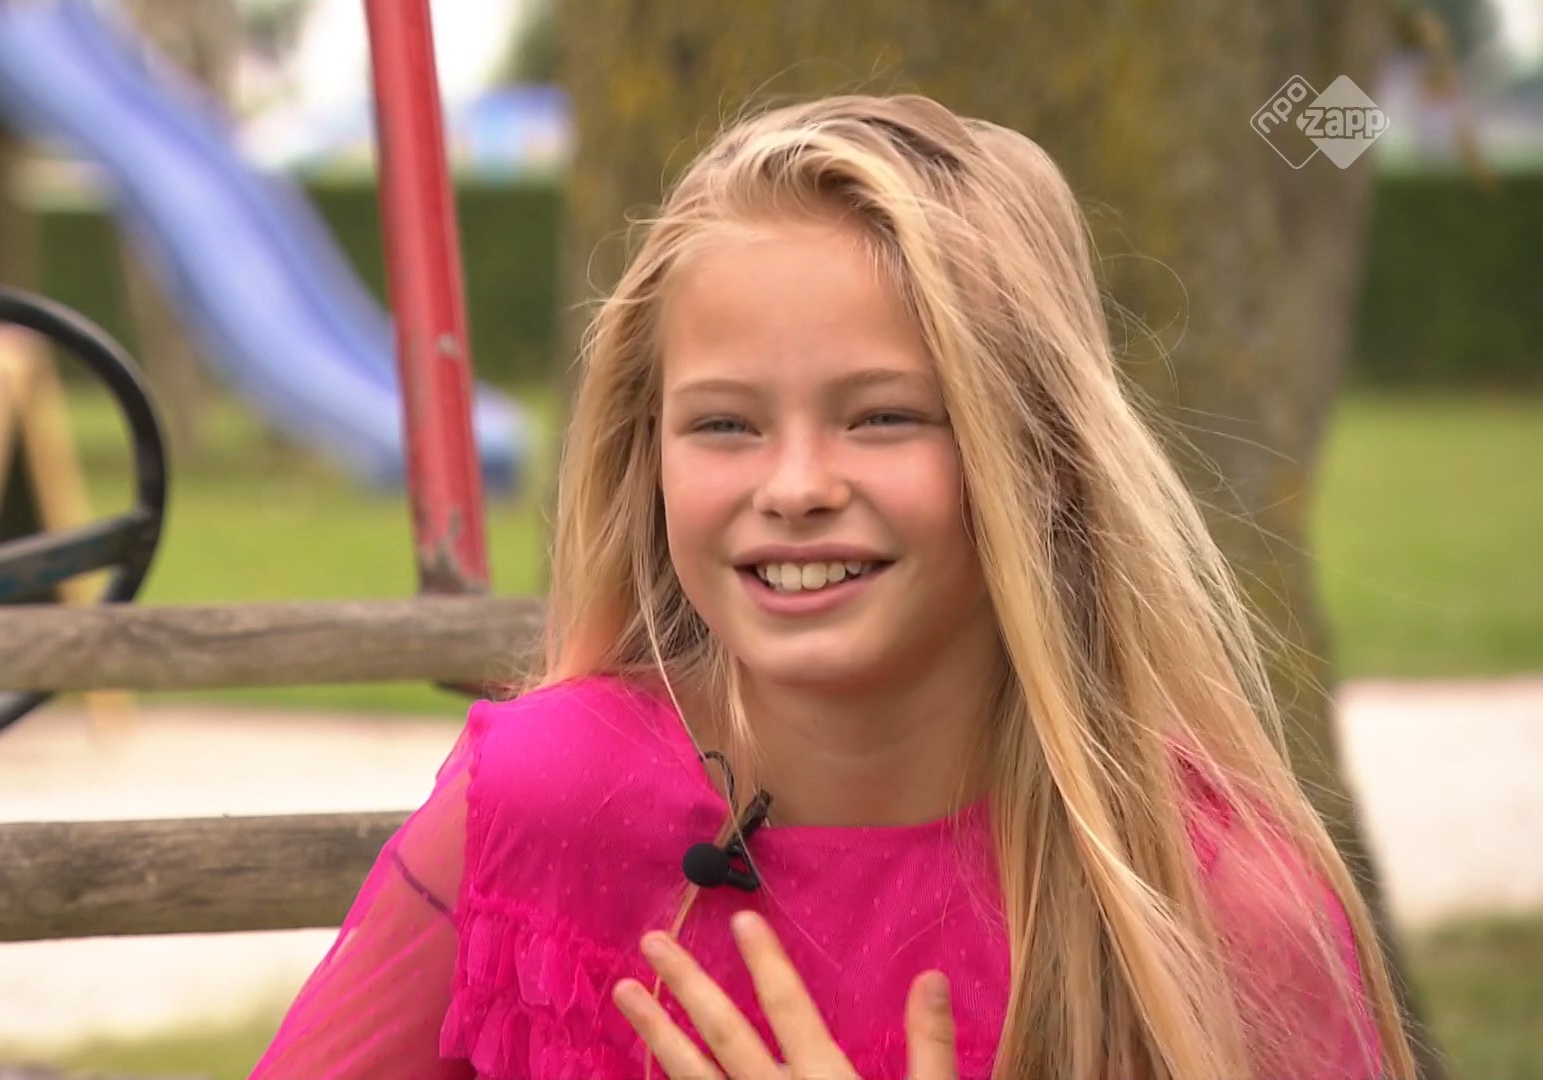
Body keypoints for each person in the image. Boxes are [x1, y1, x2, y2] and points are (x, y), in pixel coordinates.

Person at [249, 93, 1419, 1080]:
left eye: (883, 417)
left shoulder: (1218, 910)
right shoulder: (540, 802)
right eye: (725, 424)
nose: (797, 486)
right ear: (645, 458)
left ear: (1046, 458)